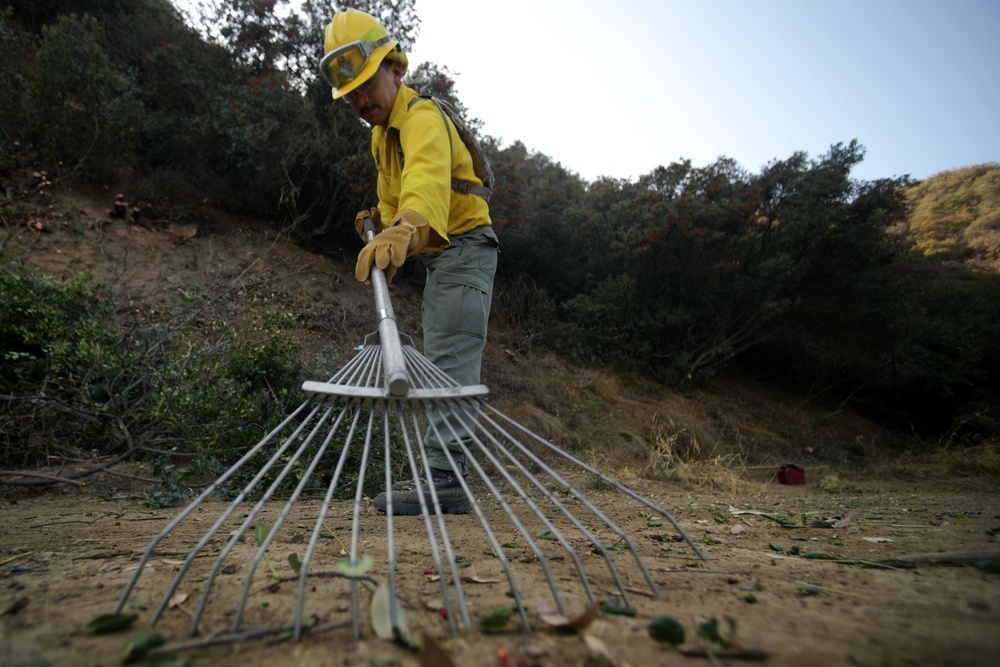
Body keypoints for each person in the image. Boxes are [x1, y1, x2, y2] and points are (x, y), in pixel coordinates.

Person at [320, 9, 498, 514]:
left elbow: (424, 186)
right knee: (445, 351)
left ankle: (446, 480)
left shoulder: (421, 118)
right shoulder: (382, 135)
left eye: (366, 85)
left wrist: (404, 228)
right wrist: (379, 220)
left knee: (450, 356)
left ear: (395, 68)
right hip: (441, 256)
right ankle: (443, 471)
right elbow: (395, 197)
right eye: (350, 94)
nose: (359, 101)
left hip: (464, 247)